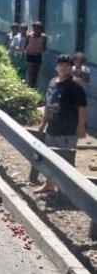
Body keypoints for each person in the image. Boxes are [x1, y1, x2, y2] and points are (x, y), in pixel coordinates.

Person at [35, 54, 88, 193]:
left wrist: (81, 126)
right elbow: (48, 104)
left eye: (67, 65)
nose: (63, 68)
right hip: (52, 127)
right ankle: (49, 184)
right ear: (56, 67)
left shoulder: (75, 85)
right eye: (61, 65)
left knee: (66, 160)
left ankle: (67, 191)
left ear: (71, 68)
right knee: (50, 157)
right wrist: (43, 123)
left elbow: (82, 107)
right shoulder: (52, 82)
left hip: (68, 129)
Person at [22, 22, 47, 88]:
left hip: (38, 55)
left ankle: (33, 87)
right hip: (30, 55)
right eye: (35, 28)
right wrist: (23, 53)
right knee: (31, 74)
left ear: (41, 29)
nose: (36, 30)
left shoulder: (43, 37)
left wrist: (41, 48)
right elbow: (25, 45)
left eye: (38, 28)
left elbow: (44, 48)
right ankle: (29, 89)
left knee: (35, 74)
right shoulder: (29, 36)